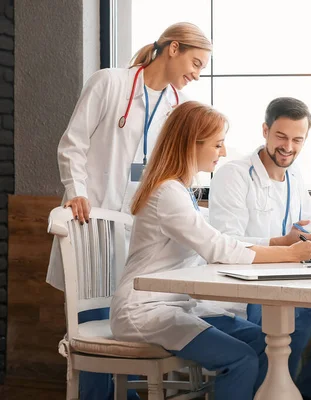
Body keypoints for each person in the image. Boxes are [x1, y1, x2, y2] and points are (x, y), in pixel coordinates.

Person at [110, 101, 311, 400]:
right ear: (190, 145)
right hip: (144, 310)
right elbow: (217, 248)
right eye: (217, 144)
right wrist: (289, 254)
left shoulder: (180, 190)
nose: (223, 152)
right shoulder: (168, 193)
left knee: (264, 344)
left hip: (175, 306)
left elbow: (218, 240)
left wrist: (278, 244)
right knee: (241, 359)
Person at [48, 22, 212, 400]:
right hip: (92, 220)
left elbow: (170, 167)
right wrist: (77, 192)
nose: (197, 74)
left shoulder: (175, 106)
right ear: (173, 49)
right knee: (95, 319)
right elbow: (72, 144)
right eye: (196, 62)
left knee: (125, 318)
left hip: (137, 231)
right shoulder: (110, 83)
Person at [209, 97, 311, 400]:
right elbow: (225, 242)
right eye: (281, 136)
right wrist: (282, 244)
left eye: (298, 139)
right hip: (249, 290)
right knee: (297, 320)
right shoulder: (234, 174)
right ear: (265, 130)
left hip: (292, 284)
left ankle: (308, 394)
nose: (288, 146)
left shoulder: (295, 177)